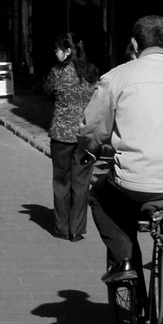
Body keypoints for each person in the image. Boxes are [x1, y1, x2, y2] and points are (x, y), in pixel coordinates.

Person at [78, 15, 163, 283]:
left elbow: (92, 129)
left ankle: (125, 260)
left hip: (136, 185)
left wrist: (89, 149)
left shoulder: (117, 77)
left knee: (99, 196)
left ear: (134, 44)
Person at [43, 32, 98, 241]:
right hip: (85, 135)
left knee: (61, 181)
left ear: (67, 51)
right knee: (81, 183)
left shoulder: (57, 72)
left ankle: (61, 226)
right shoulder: (92, 72)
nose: (55, 54)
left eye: (57, 50)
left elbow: (47, 92)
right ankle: (76, 230)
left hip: (61, 134)